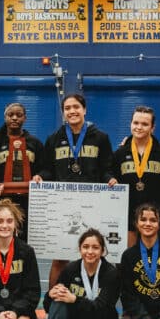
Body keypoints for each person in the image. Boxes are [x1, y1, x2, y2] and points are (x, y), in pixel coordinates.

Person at [33, 94, 117, 287]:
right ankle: (52, 305)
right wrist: (41, 177)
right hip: (63, 205)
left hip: (93, 205)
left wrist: (110, 179)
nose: (72, 111)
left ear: (84, 110)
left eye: (76, 107)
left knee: (93, 255)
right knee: (60, 258)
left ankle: (95, 300)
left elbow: (106, 168)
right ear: (63, 113)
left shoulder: (101, 138)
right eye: (68, 108)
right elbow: (47, 168)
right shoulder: (54, 139)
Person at [37, 228, 121, 319]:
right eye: (85, 247)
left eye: (95, 247)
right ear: (79, 249)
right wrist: (50, 296)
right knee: (60, 296)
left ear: (102, 251)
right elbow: (48, 307)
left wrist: (75, 299)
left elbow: (103, 310)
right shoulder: (70, 269)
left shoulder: (111, 274)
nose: (90, 251)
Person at [113, 106, 160, 248]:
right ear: (131, 124)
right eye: (136, 123)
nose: (139, 127)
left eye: (145, 124)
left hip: (155, 216)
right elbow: (110, 174)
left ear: (152, 128)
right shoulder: (120, 152)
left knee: (155, 260)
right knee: (129, 260)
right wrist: (110, 178)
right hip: (128, 216)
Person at [0, 102, 44, 241]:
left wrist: (40, 176)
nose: (14, 118)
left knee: (25, 239)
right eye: (10, 115)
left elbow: (45, 167)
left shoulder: (35, 143)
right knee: (4, 236)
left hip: (29, 200)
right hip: (3, 200)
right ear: (5, 117)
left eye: (19, 115)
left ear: (25, 118)